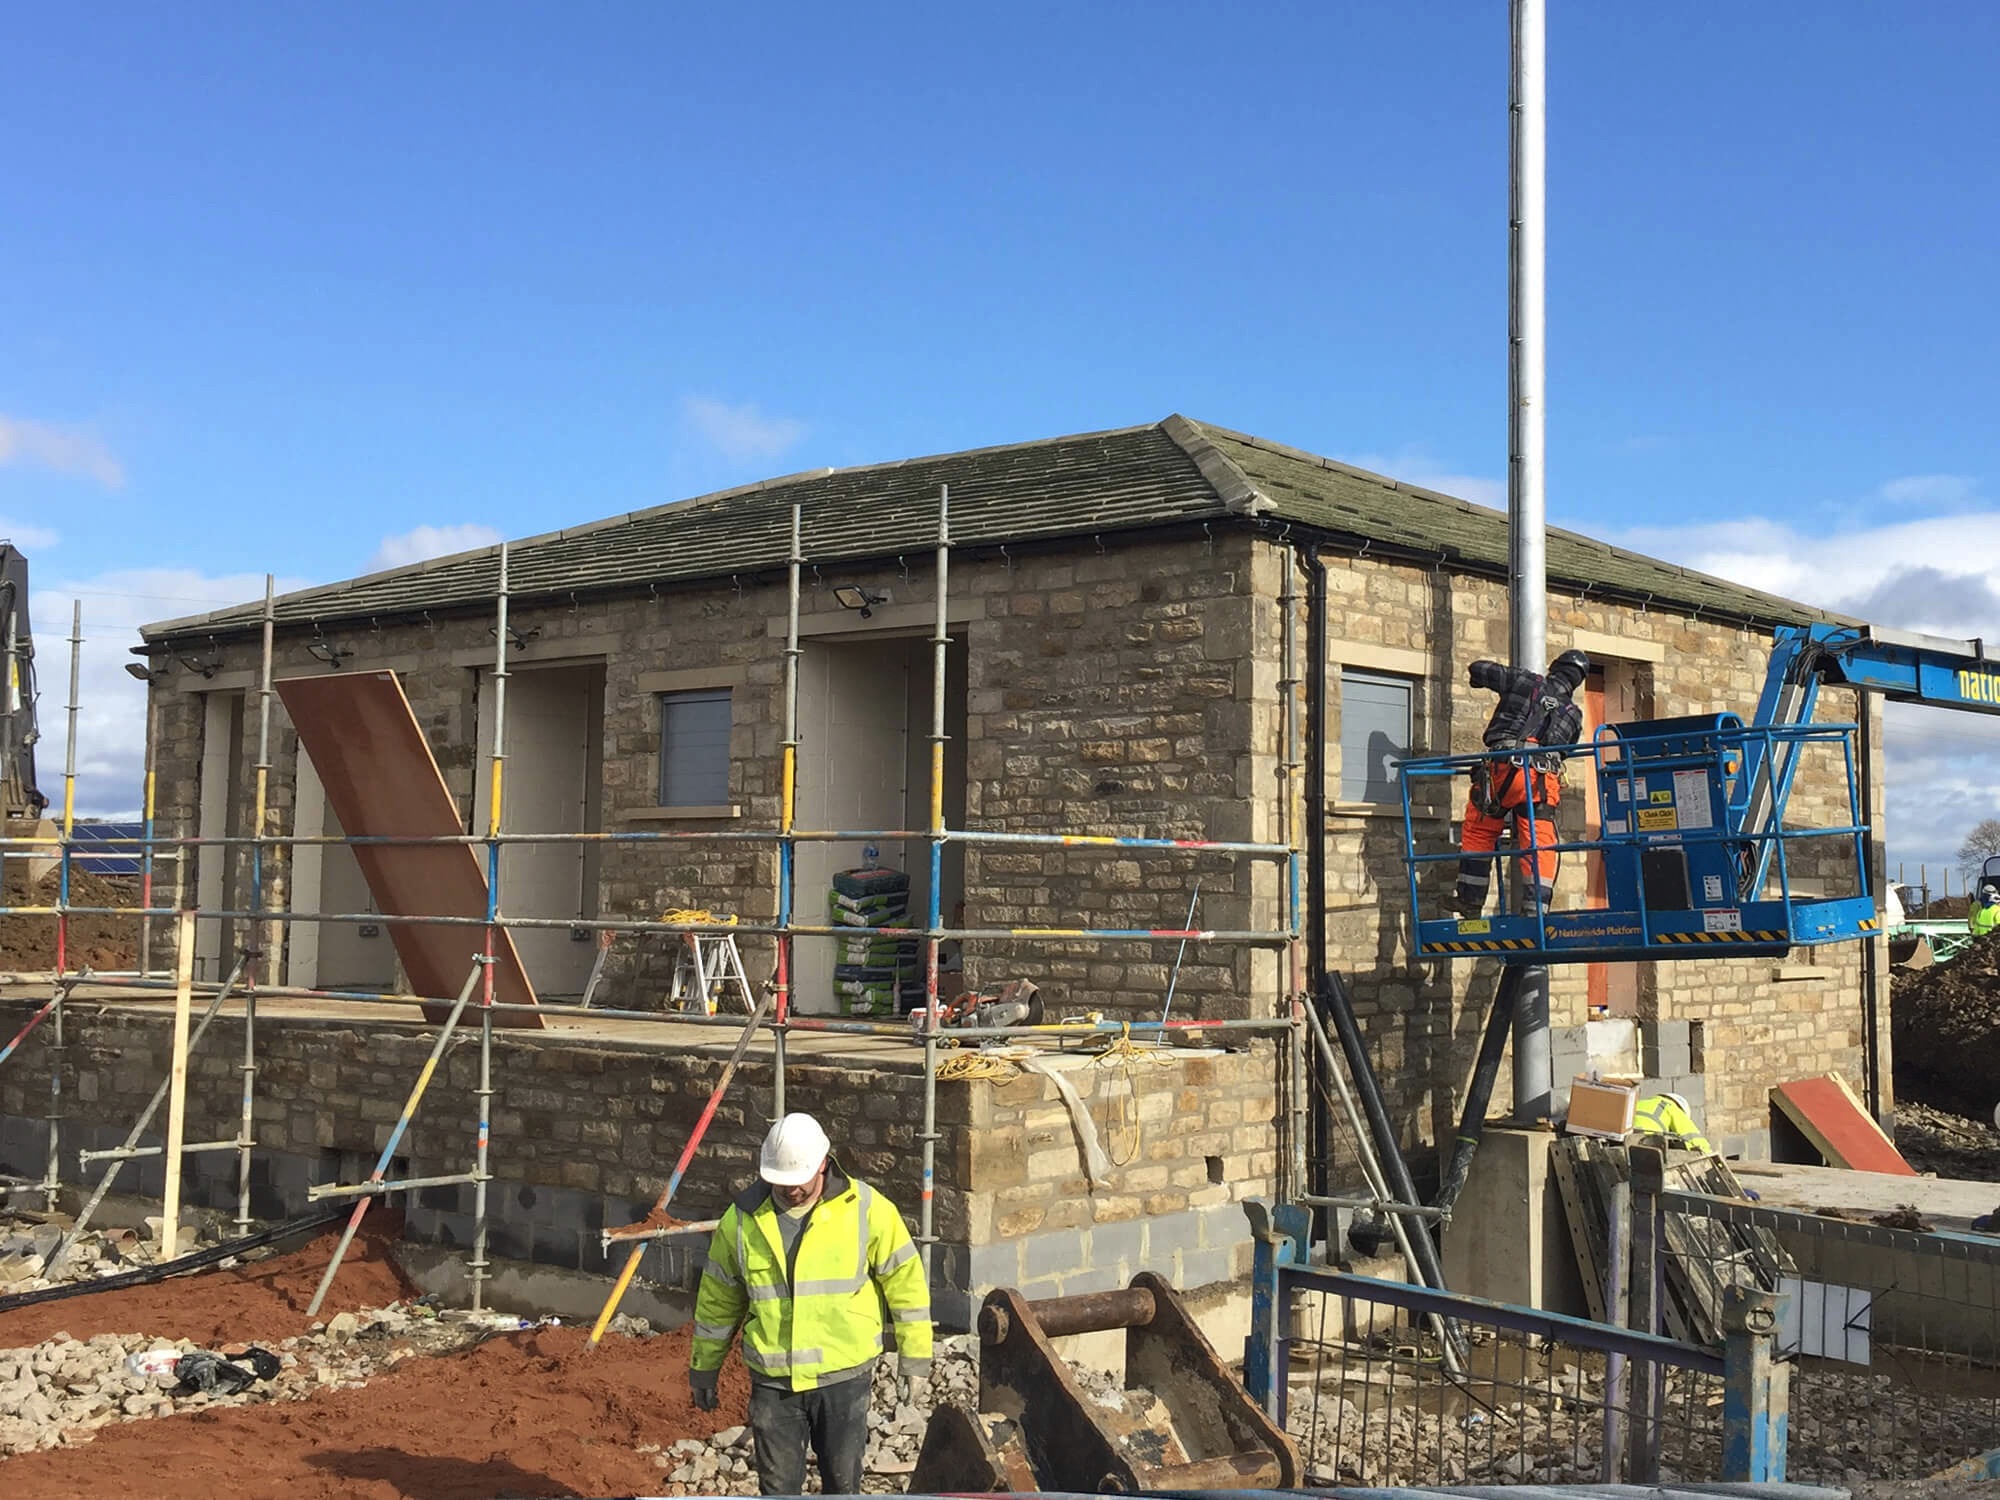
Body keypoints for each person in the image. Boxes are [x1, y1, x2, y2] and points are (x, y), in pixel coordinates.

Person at [689, 1112, 932, 1497]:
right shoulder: (741, 1220)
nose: (790, 1191)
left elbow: (906, 1284)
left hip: (843, 1376)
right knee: (778, 1489)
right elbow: (717, 1300)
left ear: (823, 1163)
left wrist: (915, 1358)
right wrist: (704, 1367)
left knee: (842, 1483)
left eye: (798, 1180)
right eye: (780, 1182)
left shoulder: (866, 1209)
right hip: (774, 1382)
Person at [1453, 649, 1590, 917]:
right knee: (1539, 842)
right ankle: (1534, 910)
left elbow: (1478, 668)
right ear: (1577, 681)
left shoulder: (1525, 681)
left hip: (1501, 772)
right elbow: (1566, 750)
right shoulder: (1574, 714)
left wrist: (1478, 680)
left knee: (1480, 830)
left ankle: (1470, 901)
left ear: (1554, 667)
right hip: (1540, 779)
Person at [1632, 1090, 1714, 1155]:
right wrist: (1712, 1159)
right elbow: (1694, 1139)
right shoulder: (1671, 1107)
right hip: (1647, 1144)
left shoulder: (1640, 1103)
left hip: (1625, 1143)